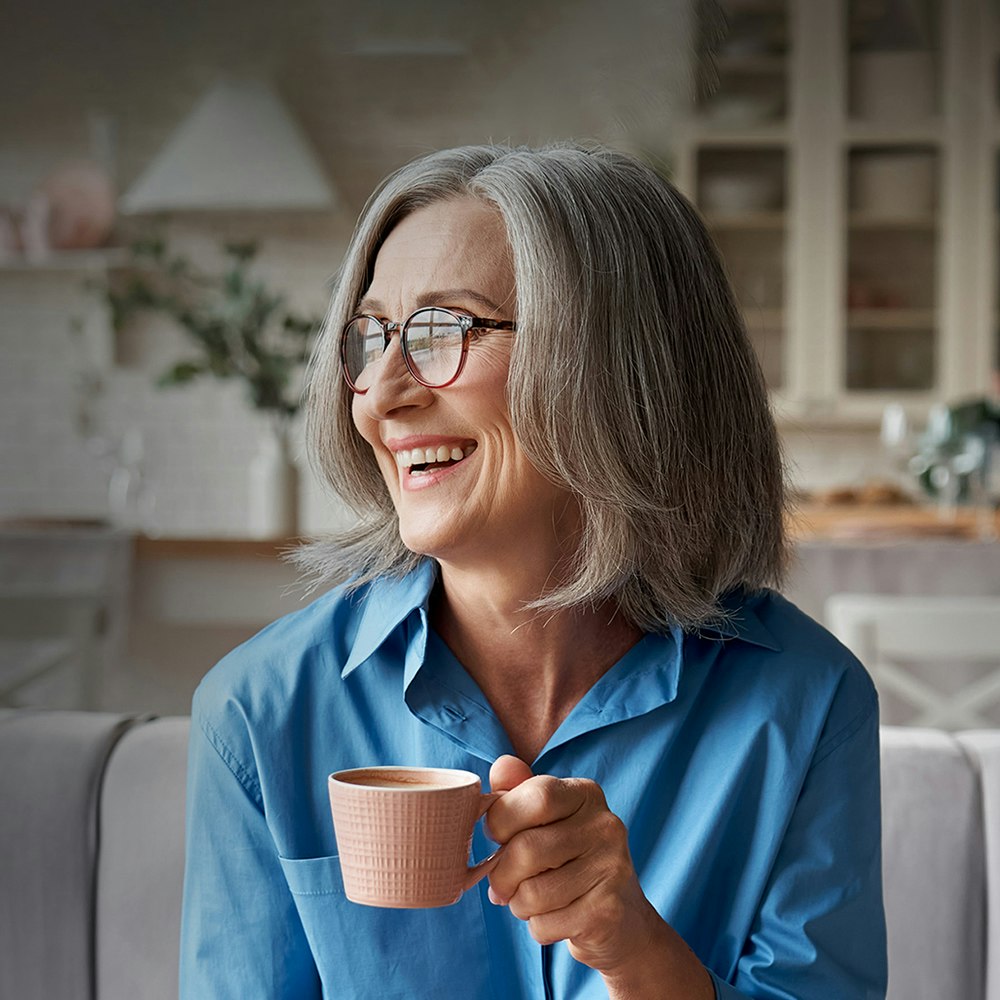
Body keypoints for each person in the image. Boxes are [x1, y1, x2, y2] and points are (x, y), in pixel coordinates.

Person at [179, 143, 887, 999]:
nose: (382, 392)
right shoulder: (258, 714)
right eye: (371, 338)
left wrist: (631, 949)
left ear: (624, 368)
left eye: (445, 330)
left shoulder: (805, 704)